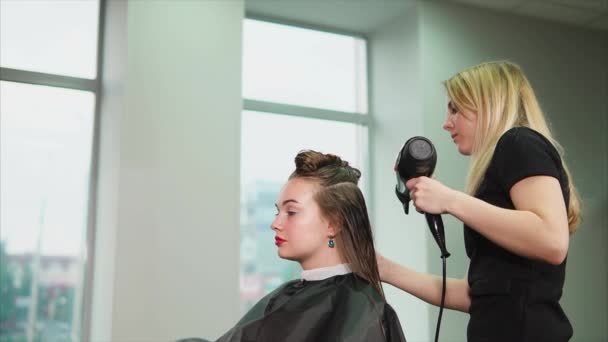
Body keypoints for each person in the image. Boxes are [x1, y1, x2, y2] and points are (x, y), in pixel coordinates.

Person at [378, 61, 581, 342]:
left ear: (488, 105)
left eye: (455, 109)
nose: (446, 122)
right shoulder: (502, 163)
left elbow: (552, 240)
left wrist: (450, 200)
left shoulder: (519, 143)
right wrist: (384, 269)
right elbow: (478, 297)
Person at [184, 150, 407, 342]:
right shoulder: (285, 296)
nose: (275, 224)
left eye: (291, 212)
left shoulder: (363, 311)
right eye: (277, 211)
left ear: (333, 223)